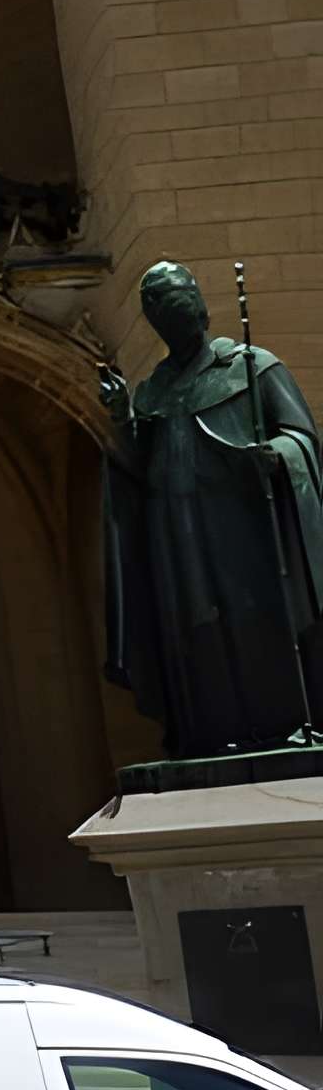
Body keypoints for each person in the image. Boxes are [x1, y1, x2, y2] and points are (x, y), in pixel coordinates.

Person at [100, 261, 323, 760]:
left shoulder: (251, 366)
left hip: (241, 535)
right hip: (174, 536)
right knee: (192, 632)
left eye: (176, 296)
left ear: (199, 305)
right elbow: (135, 470)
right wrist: (119, 421)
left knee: (250, 623)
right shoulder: (152, 391)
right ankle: (207, 733)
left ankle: (279, 724)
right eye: (156, 301)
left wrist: (278, 457)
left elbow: (302, 440)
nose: (168, 307)